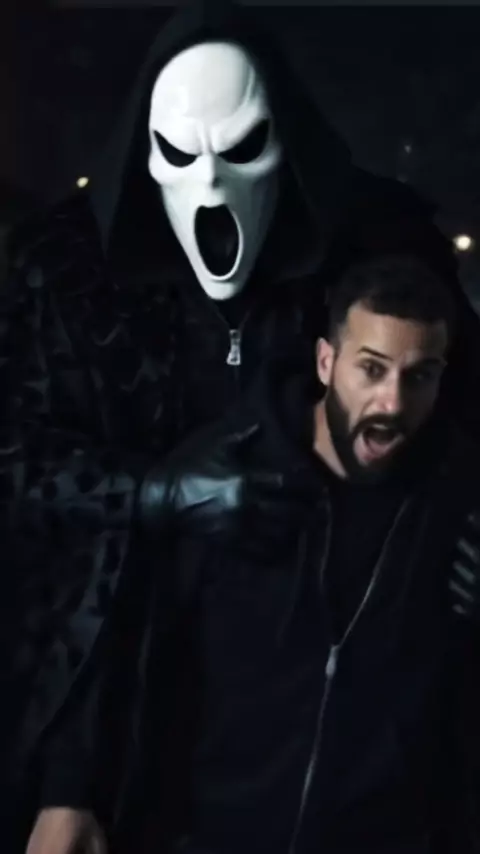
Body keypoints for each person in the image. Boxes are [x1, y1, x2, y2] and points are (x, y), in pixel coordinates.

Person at [2, 0, 480, 848]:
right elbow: (20, 457)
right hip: (136, 695)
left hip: (329, 709)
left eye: (241, 149)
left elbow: (453, 396)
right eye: (183, 154)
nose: (213, 186)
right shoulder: (67, 276)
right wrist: (153, 492)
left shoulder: (374, 248)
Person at [25, 253, 480, 854]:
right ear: (326, 361)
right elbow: (124, 634)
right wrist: (69, 793)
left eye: (419, 376)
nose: (392, 402)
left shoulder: (458, 500)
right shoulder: (226, 475)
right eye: (371, 369)